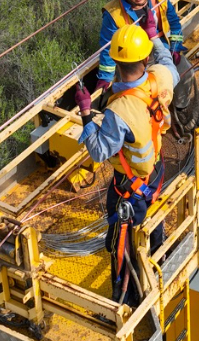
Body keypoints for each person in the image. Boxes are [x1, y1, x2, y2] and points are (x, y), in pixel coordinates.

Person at [74, 20, 177, 305]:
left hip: (128, 189)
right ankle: (161, 266)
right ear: (145, 58)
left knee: (121, 243)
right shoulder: (160, 78)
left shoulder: (118, 112)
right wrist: (154, 36)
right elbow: (168, 61)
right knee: (152, 225)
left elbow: (97, 152)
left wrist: (85, 113)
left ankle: (125, 299)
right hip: (155, 173)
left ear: (116, 61)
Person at [95, 0, 184, 92]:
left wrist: (175, 47)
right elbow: (108, 47)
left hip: (161, 49)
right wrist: (105, 78)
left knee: (185, 75)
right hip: (134, 62)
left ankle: (181, 107)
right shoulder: (113, 14)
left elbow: (174, 23)